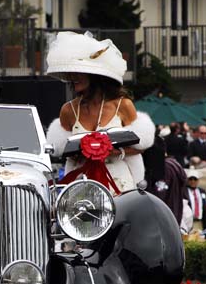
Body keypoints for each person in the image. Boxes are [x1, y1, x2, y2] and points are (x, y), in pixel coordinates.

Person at [44, 31, 154, 192]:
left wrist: (113, 151)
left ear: (95, 75)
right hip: (81, 185)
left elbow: (140, 147)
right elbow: (63, 151)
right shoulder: (68, 110)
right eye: (70, 72)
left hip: (119, 185)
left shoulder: (123, 105)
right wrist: (79, 153)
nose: (72, 76)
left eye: (78, 71)